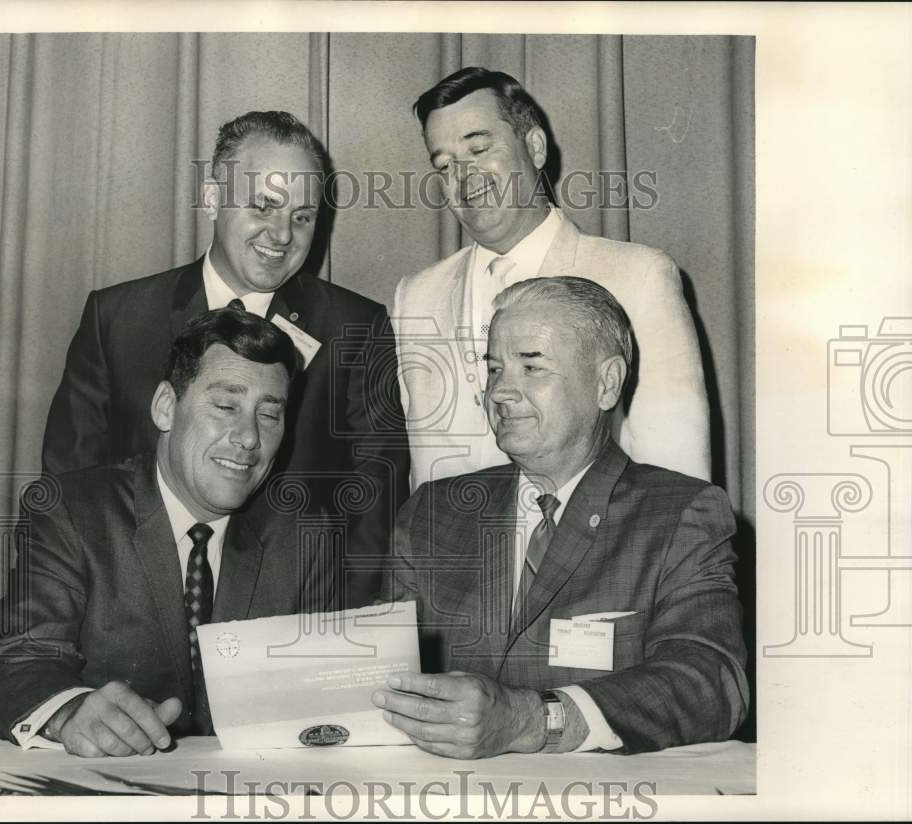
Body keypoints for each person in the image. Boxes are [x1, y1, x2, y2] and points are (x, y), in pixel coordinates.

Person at [42, 111, 409, 607]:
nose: (282, 235)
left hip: (294, 619)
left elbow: (377, 502)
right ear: (213, 198)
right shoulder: (119, 318)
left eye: (302, 216)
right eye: (264, 206)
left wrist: (342, 636)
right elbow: (69, 485)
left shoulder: (356, 327)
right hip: (132, 610)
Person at [375, 277, 747, 757]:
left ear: (606, 383)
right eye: (494, 369)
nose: (501, 393)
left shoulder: (680, 514)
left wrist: (535, 719)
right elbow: (381, 677)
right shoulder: (432, 513)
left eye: (532, 367)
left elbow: (709, 683)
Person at [0, 307, 340, 756]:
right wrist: (71, 713)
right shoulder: (73, 510)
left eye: (269, 416)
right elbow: (16, 661)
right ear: (166, 407)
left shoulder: (304, 534)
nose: (249, 437)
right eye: (226, 406)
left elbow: (320, 700)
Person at [394, 67, 709, 490]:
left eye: (480, 149)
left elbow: (678, 483)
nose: (464, 178)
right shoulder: (415, 296)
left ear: (535, 147)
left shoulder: (638, 278)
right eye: (445, 164)